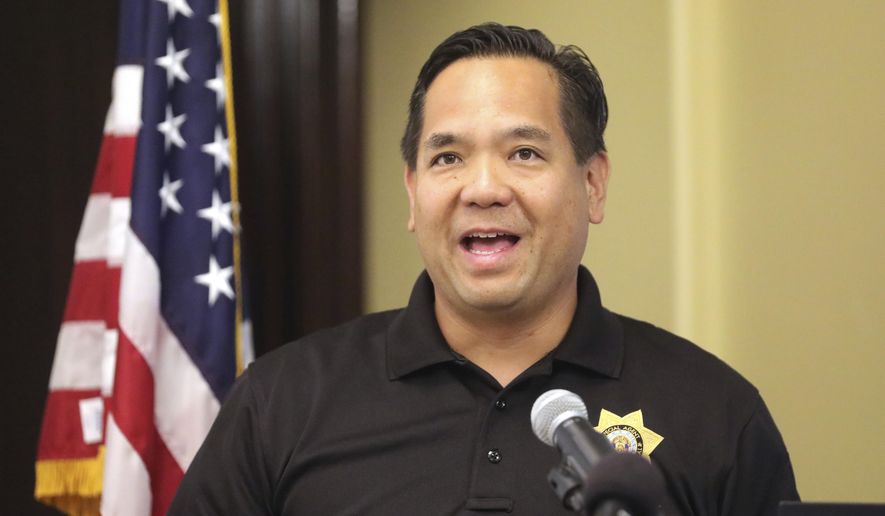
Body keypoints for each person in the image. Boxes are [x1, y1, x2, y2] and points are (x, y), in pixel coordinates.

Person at [169, 23, 799, 515]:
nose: (483, 188)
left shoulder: (717, 414)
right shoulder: (281, 403)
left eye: (524, 152)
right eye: (448, 159)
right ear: (414, 194)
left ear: (593, 183)